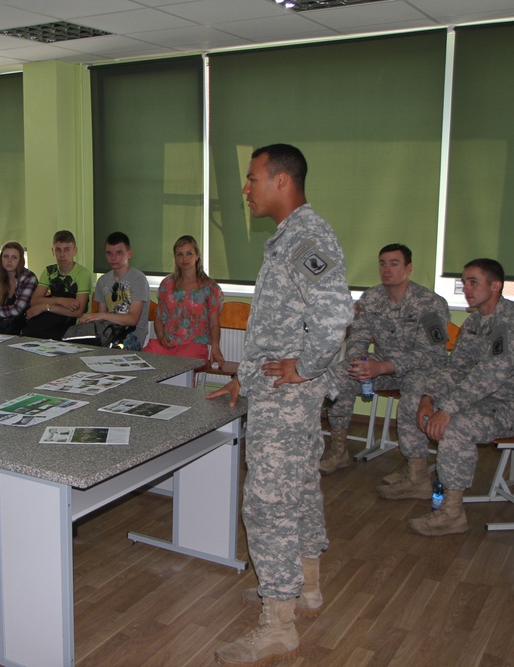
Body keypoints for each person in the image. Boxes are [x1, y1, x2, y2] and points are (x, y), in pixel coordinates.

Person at [206, 144, 352, 666]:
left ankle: (278, 623)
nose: (245, 189)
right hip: (276, 391)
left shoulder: (305, 237)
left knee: (267, 502)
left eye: (252, 178)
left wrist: (305, 367)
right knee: (299, 488)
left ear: (282, 181)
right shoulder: (288, 239)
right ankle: (303, 588)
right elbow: (280, 325)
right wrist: (246, 379)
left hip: (288, 397)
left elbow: (335, 316)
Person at [389, 258, 514, 537]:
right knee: (413, 401)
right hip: (486, 399)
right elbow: (456, 369)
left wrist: (447, 408)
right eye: (464, 282)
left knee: (455, 427)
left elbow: (492, 373)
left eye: (473, 282)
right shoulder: (475, 322)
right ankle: (417, 478)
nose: (466, 288)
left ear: (496, 286)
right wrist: (429, 397)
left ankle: (452, 514)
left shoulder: (512, 321)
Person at [320, 243, 451, 475]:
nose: (386, 269)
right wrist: (360, 362)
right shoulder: (371, 298)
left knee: (415, 393)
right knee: (339, 375)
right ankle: (339, 450)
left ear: (408, 268)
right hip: (382, 369)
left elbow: (431, 354)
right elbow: (357, 338)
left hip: (422, 371)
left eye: (394, 263)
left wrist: (382, 366)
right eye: (382, 264)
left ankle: (416, 472)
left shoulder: (430, 303)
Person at [143, 235, 225, 367]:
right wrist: (160, 336)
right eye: (180, 254)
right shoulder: (167, 284)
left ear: (197, 255)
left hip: (194, 345)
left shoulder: (210, 287)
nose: (184, 258)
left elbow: (214, 323)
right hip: (167, 344)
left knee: (179, 367)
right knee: (143, 361)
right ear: (175, 257)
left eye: (189, 253)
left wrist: (215, 347)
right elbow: (158, 318)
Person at [79, 231, 150, 350]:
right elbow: (101, 319)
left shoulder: (138, 279)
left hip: (132, 334)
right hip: (108, 331)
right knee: (83, 346)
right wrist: (91, 318)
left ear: (129, 254)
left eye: (119, 253)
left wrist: (100, 315)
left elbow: (132, 320)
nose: (113, 257)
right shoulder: (103, 281)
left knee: (114, 349)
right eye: (109, 253)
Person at [22, 230, 93, 340]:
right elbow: (34, 301)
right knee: (31, 329)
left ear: (75, 251)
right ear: (53, 251)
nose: (62, 254)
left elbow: (78, 312)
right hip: (54, 316)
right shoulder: (49, 271)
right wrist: (60, 301)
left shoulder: (83, 273)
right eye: (58, 250)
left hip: (72, 323)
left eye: (67, 250)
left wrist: (45, 307)